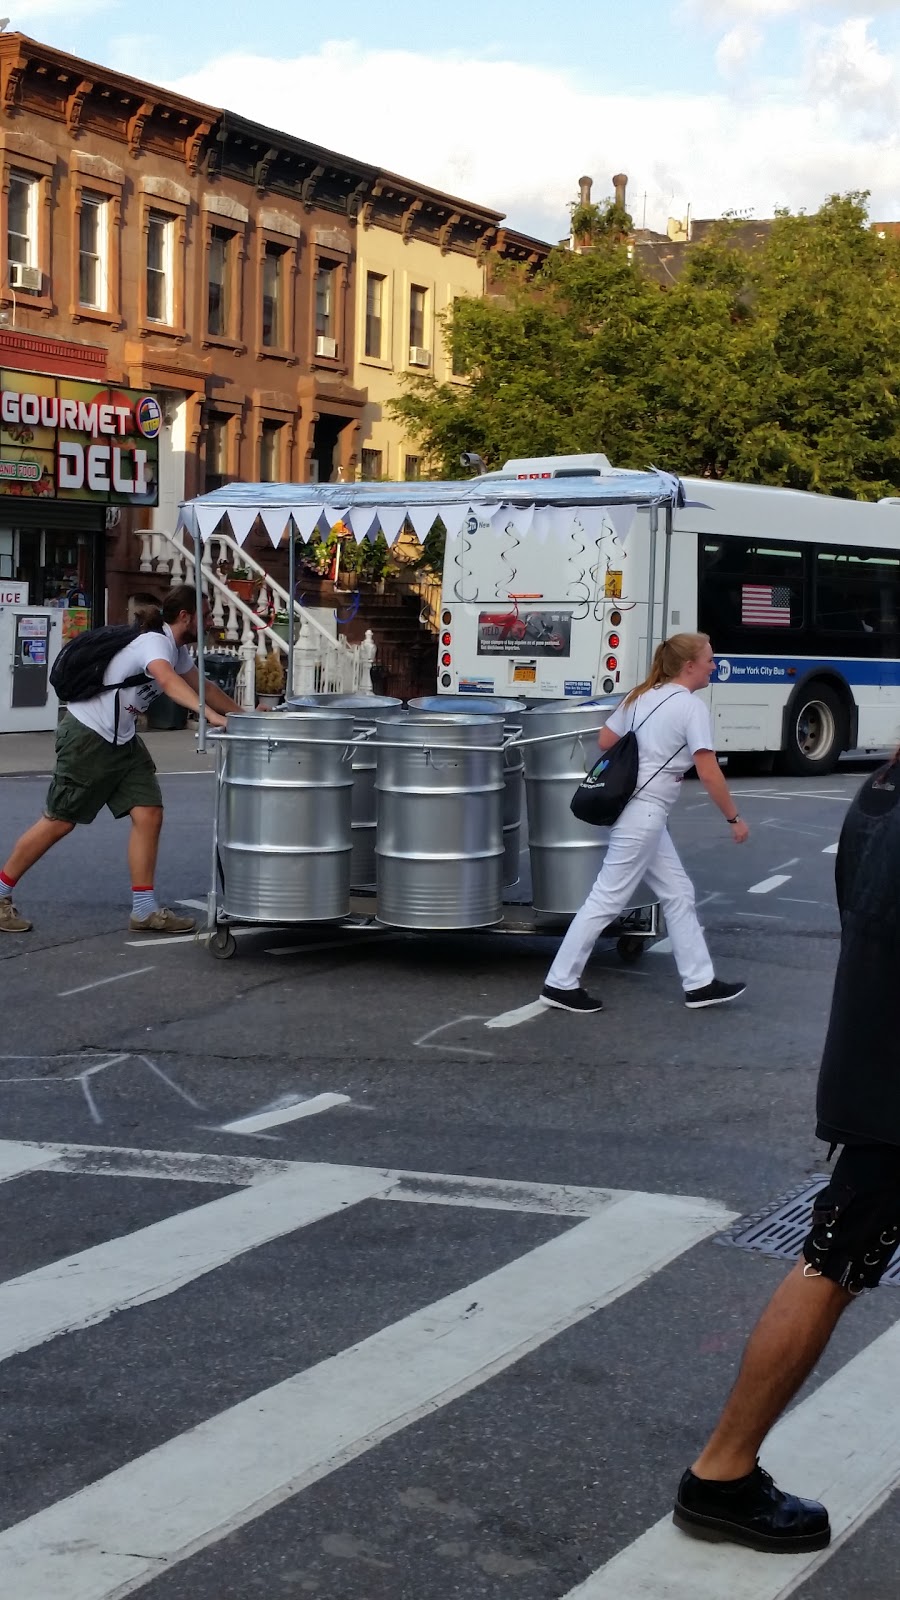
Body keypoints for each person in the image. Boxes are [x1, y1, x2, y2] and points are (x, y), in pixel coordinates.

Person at [673, 750, 900, 1554]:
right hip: (890, 1093)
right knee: (830, 1264)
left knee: (833, 1263)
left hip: (872, 1067)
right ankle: (721, 1473)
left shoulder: (880, 790)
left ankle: (723, 1474)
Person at [0, 585, 242, 937]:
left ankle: (143, 910)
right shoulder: (154, 643)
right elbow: (167, 681)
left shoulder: (177, 650)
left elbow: (203, 685)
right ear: (185, 617)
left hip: (122, 740)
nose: (211, 621)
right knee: (60, 821)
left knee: (149, 813)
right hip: (88, 736)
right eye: (205, 616)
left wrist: (244, 715)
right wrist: (212, 718)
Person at [540, 632, 749, 1014]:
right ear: (689, 666)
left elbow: (605, 740)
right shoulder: (689, 707)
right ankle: (559, 983)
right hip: (645, 814)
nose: (713, 666)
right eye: (709, 659)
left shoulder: (641, 695)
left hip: (633, 811)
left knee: (678, 892)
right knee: (607, 898)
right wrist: (733, 818)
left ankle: (700, 982)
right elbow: (708, 771)